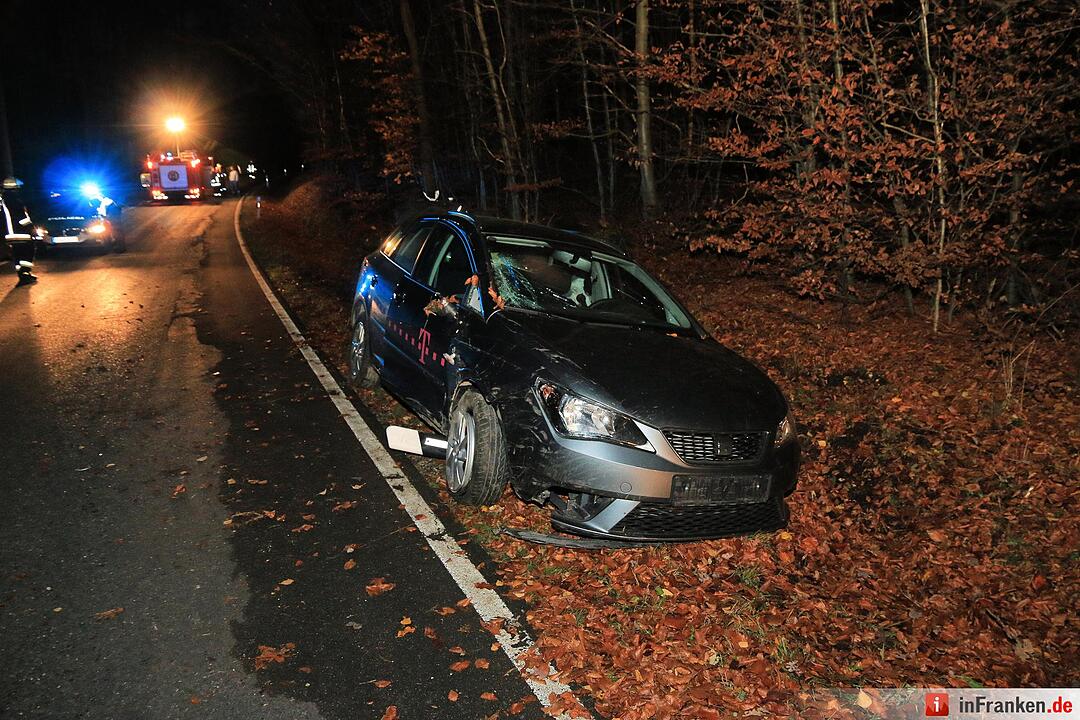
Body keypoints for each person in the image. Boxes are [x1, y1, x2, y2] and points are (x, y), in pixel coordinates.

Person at [1, 189, 37, 286]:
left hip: (10, 235)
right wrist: (31, 228)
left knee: (17, 255)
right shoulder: (14, 201)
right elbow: (22, 218)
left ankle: (22, 275)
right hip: (21, 233)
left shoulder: (3, 202)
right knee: (28, 252)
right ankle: (25, 274)